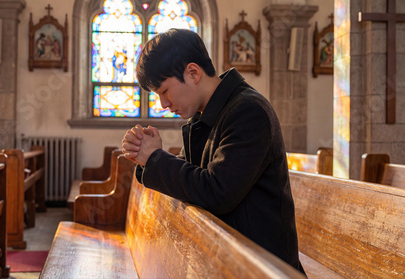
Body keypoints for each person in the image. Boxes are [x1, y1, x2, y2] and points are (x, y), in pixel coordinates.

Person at [122, 28, 305, 274]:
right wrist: (147, 159)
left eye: (164, 91)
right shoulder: (204, 116)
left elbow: (217, 192)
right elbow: (192, 180)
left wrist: (155, 159)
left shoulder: (248, 111)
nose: (163, 104)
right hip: (229, 257)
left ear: (193, 72)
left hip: (262, 267)